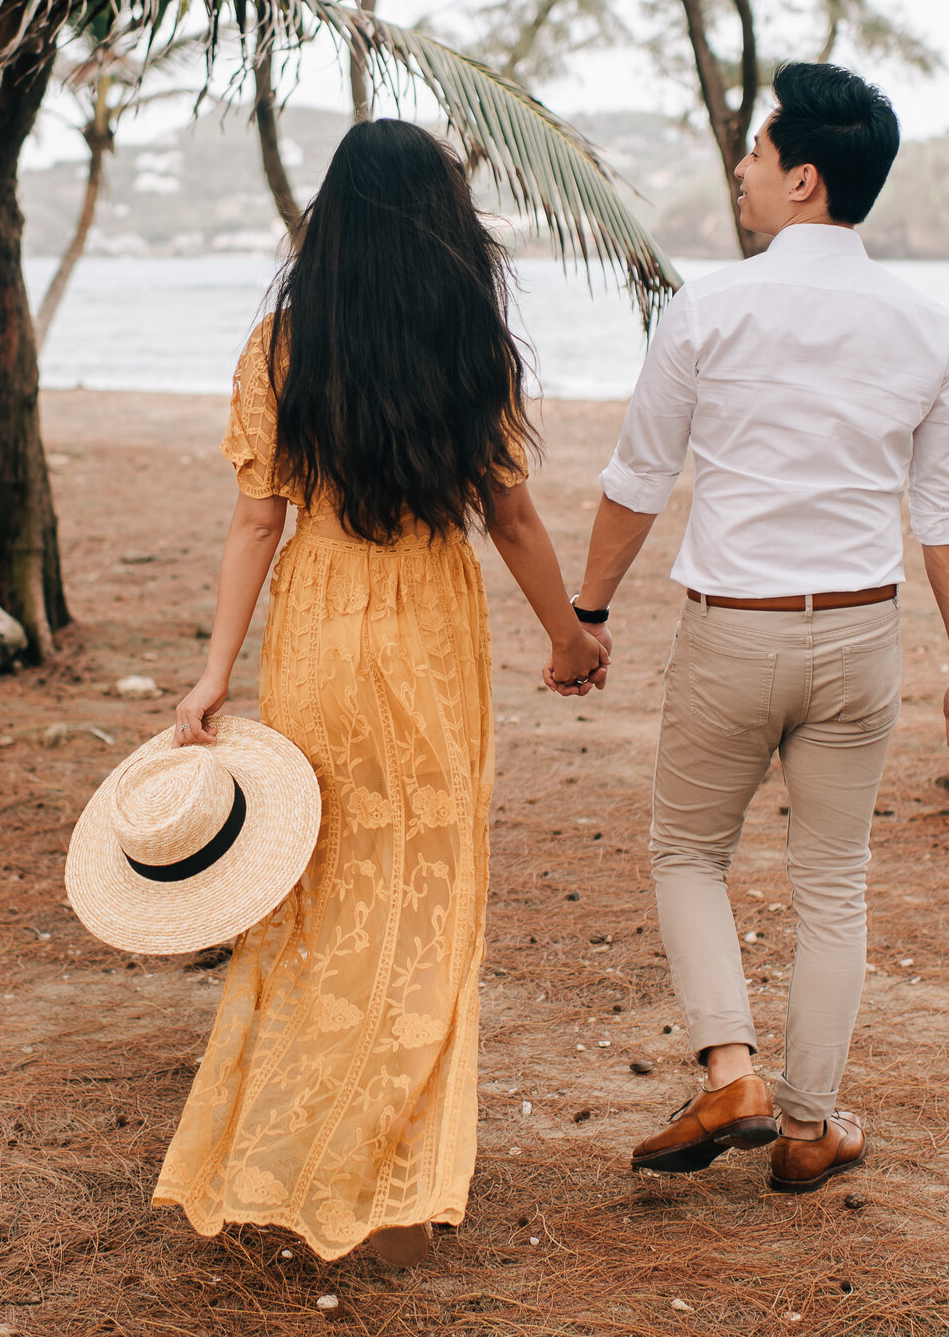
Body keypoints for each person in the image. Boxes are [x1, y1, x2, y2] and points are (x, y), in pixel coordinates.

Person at [156, 118, 608, 1266]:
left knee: (313, 888)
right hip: (428, 625)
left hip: (317, 621)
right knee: (425, 888)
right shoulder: (472, 346)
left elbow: (259, 515)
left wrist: (215, 672)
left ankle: (288, 1147)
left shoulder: (280, 345)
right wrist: (569, 638)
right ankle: (392, 1170)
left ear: (332, 226)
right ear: (446, 227)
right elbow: (508, 515)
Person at [567, 61, 949, 1194]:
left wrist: (589, 610)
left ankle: (731, 1070)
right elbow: (945, 512)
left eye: (756, 156)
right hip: (860, 637)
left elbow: (637, 478)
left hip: (733, 632)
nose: (743, 172)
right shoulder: (929, 325)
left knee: (686, 851)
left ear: (803, 178)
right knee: (833, 883)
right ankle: (808, 1124)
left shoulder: (706, 308)